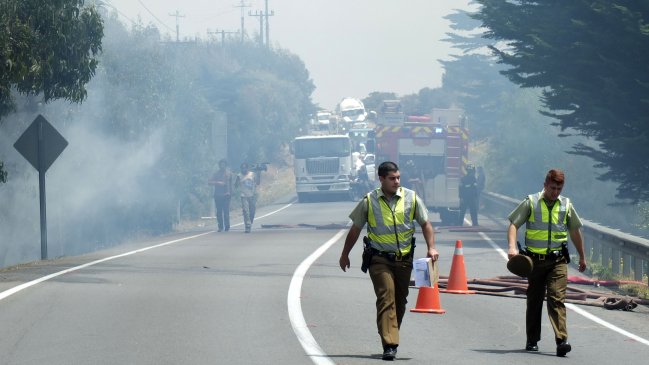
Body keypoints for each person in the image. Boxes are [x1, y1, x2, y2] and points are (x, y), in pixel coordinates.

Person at [339, 161, 439, 361]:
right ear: (382, 179)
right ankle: (390, 344)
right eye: (392, 178)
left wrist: (431, 246)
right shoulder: (369, 201)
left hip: (404, 261)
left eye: (398, 178)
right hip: (379, 259)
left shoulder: (411, 197)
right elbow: (355, 229)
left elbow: (426, 223)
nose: (396, 181)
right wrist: (345, 254)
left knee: (400, 302)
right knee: (386, 297)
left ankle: (390, 331)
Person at [507, 169, 587, 357]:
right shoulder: (531, 202)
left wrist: (582, 256)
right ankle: (532, 340)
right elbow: (513, 224)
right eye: (552, 188)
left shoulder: (566, 205)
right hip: (534, 261)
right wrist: (512, 247)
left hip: (558, 261)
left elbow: (575, 231)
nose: (555, 192)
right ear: (545, 185)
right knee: (534, 300)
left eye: (559, 188)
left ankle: (562, 341)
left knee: (556, 298)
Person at [208, 159, 233, 232]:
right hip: (218, 195)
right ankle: (220, 226)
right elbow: (209, 182)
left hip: (226, 195)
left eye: (224, 164)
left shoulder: (229, 174)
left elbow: (230, 185)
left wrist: (230, 193)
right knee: (219, 212)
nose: (222, 166)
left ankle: (227, 226)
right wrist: (217, 182)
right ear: (219, 165)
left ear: (226, 165)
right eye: (221, 164)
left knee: (226, 212)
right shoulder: (216, 174)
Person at [235, 162, 258, 233]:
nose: (243, 169)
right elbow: (236, 185)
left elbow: (258, 182)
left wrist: (259, 173)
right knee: (245, 211)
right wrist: (237, 182)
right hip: (244, 196)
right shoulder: (239, 175)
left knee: (252, 211)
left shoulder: (252, 174)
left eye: (245, 168)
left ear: (247, 168)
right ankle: (247, 226)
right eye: (242, 168)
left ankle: (250, 221)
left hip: (252, 195)